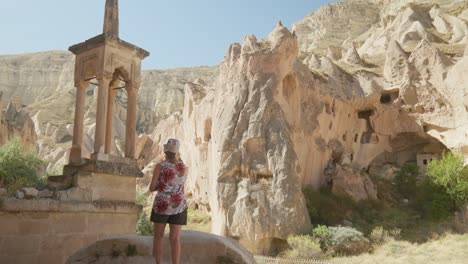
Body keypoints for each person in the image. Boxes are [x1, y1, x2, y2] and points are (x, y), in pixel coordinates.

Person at [149, 138, 188, 264]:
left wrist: (162, 185)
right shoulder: (183, 168)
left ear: (166, 151)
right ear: (177, 152)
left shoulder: (160, 166)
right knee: (175, 239)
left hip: (162, 205)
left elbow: (151, 188)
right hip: (179, 205)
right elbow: (181, 187)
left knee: (158, 237)